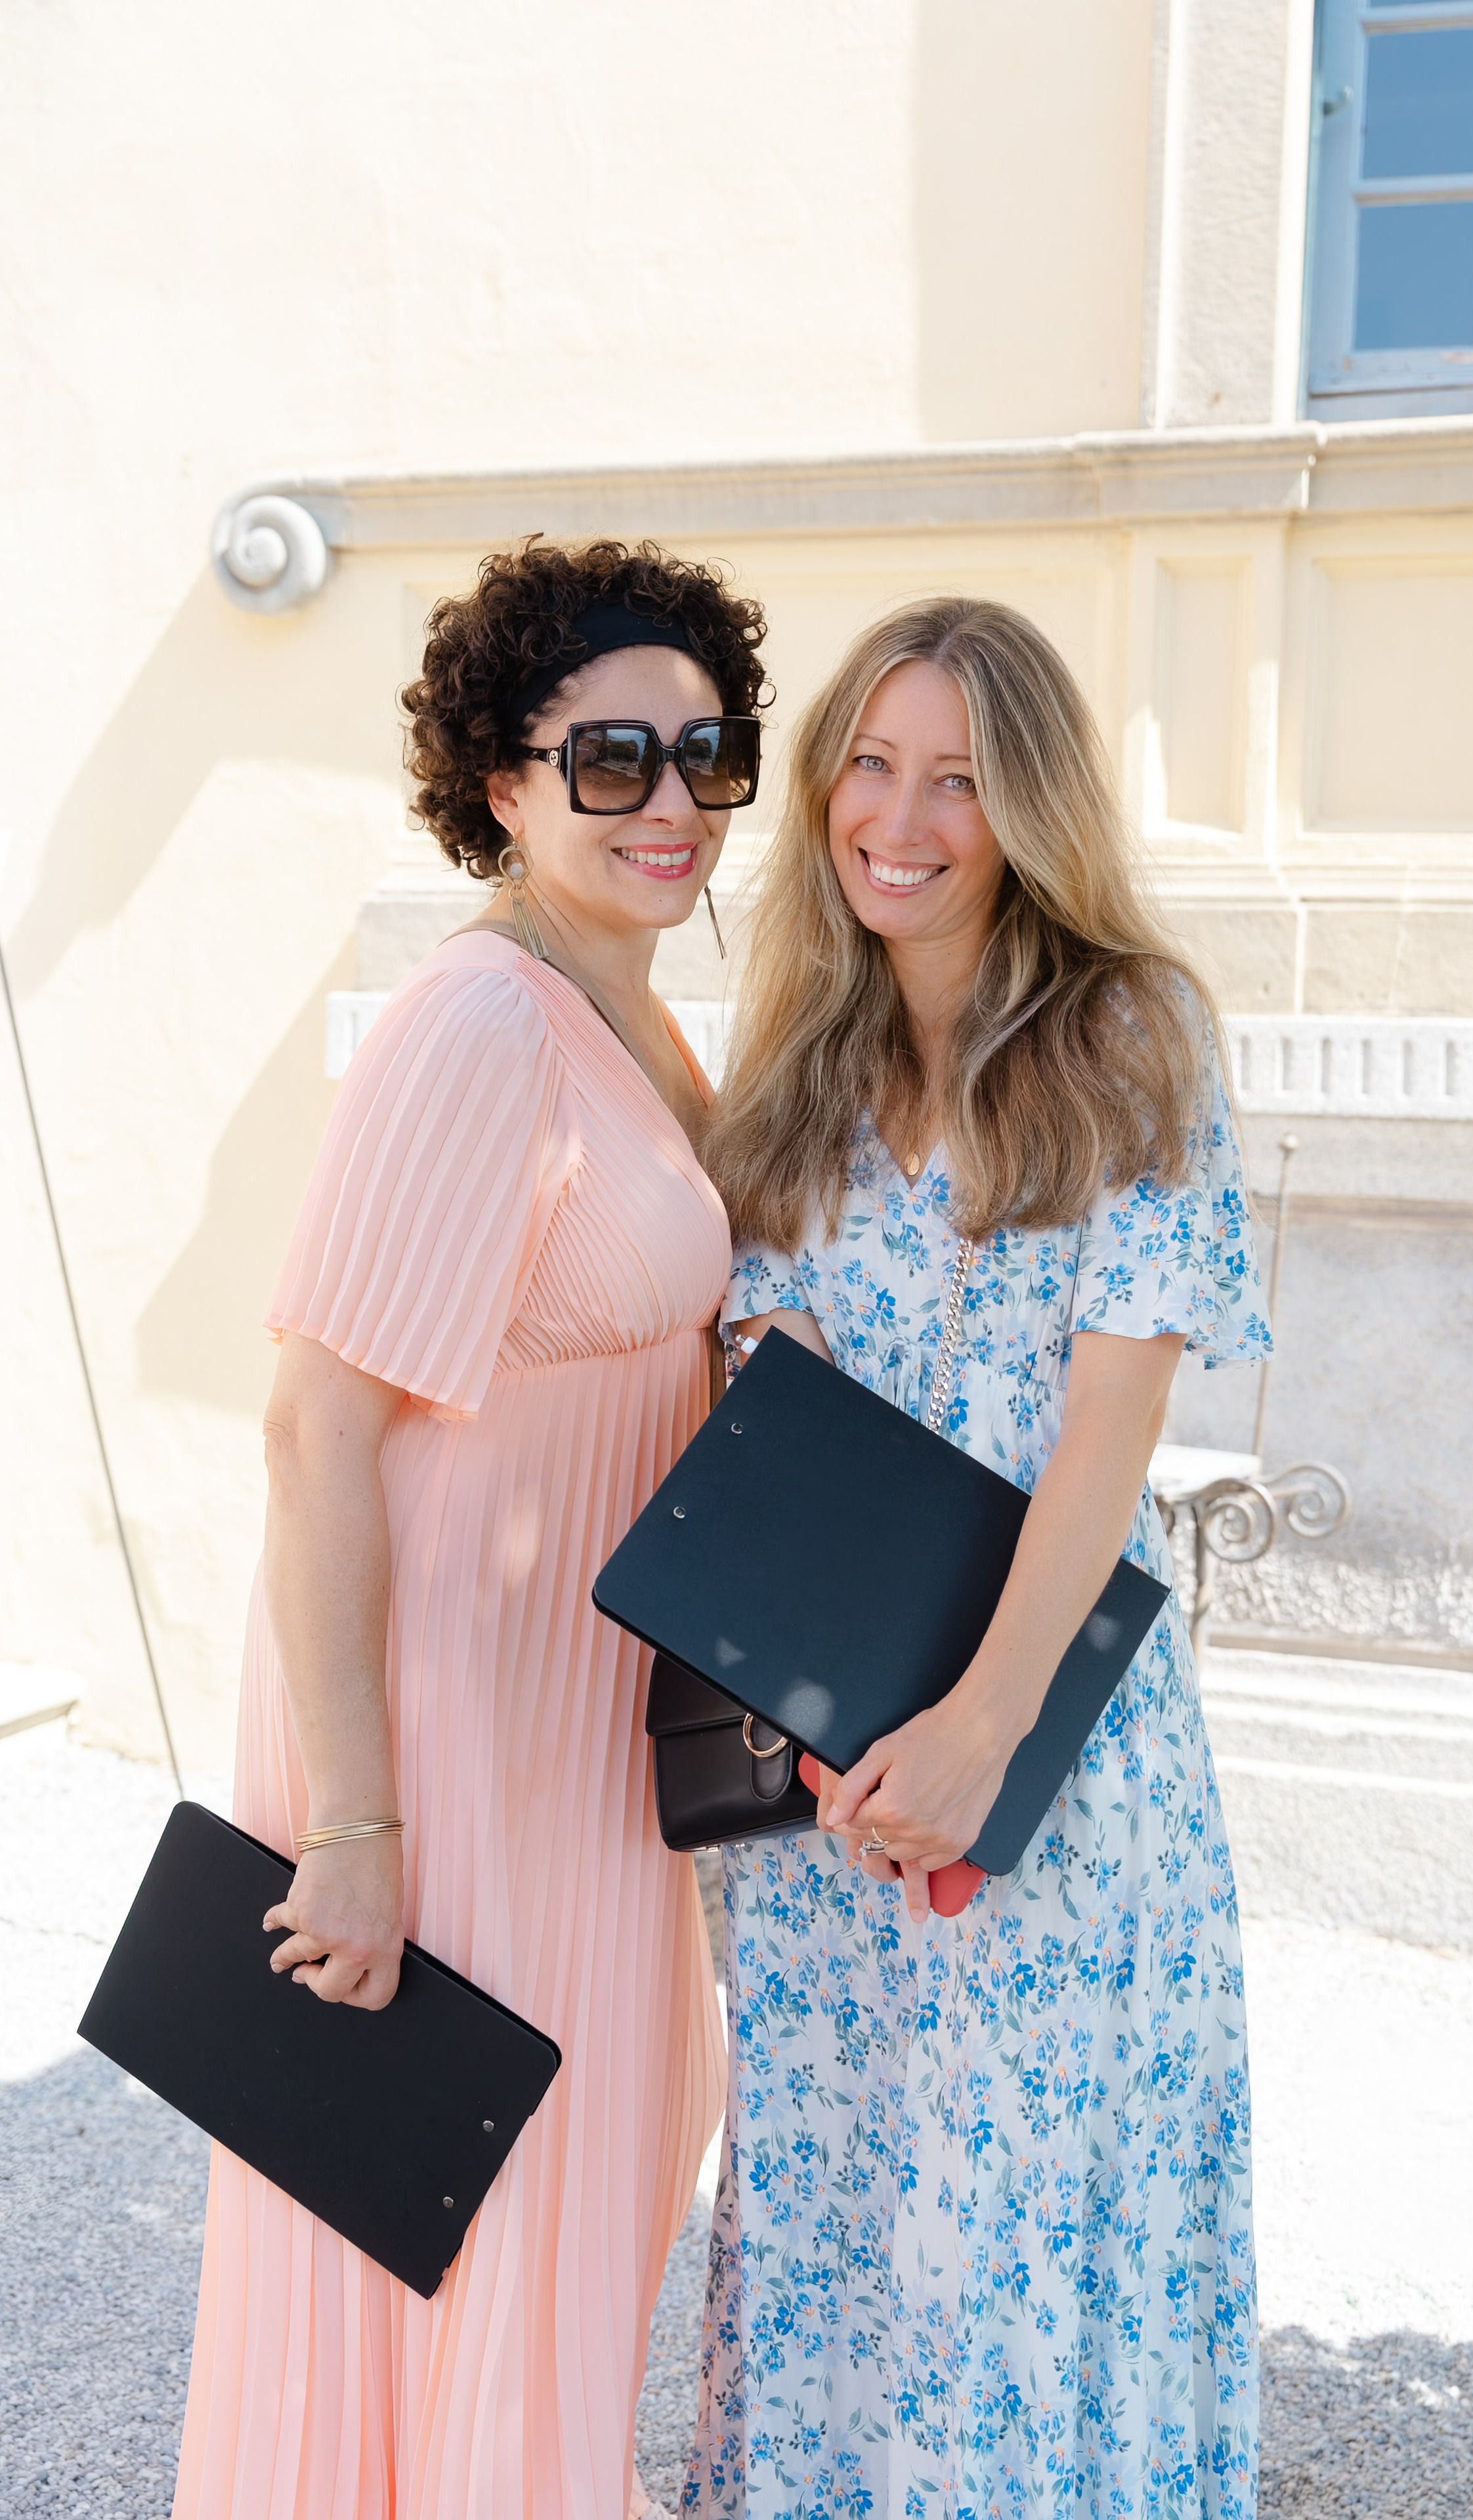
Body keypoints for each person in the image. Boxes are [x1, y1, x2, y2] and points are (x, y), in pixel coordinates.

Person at [171, 538, 768, 2520]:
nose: (669, 803)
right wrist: (353, 1831)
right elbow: (313, 1434)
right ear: (502, 782)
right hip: (460, 1742)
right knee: (478, 2222)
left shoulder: (636, 1020)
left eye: (707, 754)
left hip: (592, 1723)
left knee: (571, 2211)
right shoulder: (482, 1028)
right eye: (612, 758)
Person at [689, 597, 1270, 2520]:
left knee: (1022, 2264)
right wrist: (831, 1726)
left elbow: (1113, 1426)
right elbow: (766, 1414)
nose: (903, 817)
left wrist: (980, 1735)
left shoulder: (1132, 1032)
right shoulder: (789, 1068)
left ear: (1030, 808)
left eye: (959, 776)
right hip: (822, 1789)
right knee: (839, 2241)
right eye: (870, 762)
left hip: (1053, 1771)